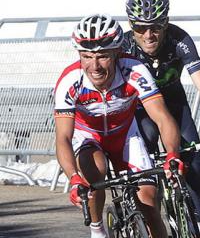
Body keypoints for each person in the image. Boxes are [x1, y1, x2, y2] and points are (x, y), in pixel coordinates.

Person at [54, 14, 183, 238]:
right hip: (88, 137)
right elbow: (63, 137)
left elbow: (162, 117)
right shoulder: (69, 81)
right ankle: (98, 230)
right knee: (95, 169)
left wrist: (172, 154)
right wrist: (74, 178)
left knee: (149, 202)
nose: (94, 66)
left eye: (102, 57)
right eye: (86, 57)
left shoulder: (134, 70)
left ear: (116, 53)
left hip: (125, 136)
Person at [122, 0, 200, 236]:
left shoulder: (179, 40)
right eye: (140, 27)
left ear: (166, 23)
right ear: (130, 25)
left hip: (174, 105)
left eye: (156, 27)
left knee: (193, 175)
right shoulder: (124, 46)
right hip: (141, 111)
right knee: (148, 140)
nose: (149, 35)